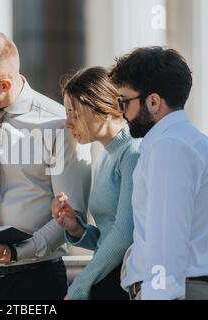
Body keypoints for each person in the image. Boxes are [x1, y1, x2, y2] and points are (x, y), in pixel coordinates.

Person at [0, 31, 91, 300]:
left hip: (36, 283)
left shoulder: (58, 124)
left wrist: (15, 253)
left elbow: (71, 214)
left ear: (4, 85)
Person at [109, 47, 208, 300]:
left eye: (123, 101)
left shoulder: (168, 147)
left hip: (175, 292)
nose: (121, 112)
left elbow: (165, 239)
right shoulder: (194, 142)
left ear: (153, 102)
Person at [51, 67, 140, 300]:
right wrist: (76, 228)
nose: (67, 123)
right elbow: (106, 236)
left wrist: (79, 286)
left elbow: (124, 235)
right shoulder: (103, 154)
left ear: (102, 110)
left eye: (74, 113)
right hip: (107, 278)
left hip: (124, 282)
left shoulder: (132, 152)